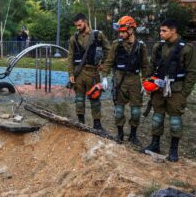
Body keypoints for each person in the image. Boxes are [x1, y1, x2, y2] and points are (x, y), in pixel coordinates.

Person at [142, 19, 196, 162]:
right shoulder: (158, 47)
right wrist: (148, 81)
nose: (161, 33)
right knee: (157, 117)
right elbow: (151, 65)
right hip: (158, 88)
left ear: (173, 31)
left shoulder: (187, 48)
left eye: (164, 31)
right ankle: (155, 144)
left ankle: (173, 150)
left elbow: (191, 72)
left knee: (175, 121)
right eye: (160, 31)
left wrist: (185, 93)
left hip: (176, 90)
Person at [100, 16, 149, 145]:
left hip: (134, 80)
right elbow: (109, 61)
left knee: (136, 111)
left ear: (131, 30)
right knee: (119, 109)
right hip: (119, 79)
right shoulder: (116, 44)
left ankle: (133, 135)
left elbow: (145, 65)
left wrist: (145, 81)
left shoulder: (140, 46)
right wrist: (104, 76)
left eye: (123, 31)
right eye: (119, 32)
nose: (121, 34)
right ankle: (120, 133)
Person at [68, 13, 110, 130]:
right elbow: (70, 57)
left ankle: (97, 124)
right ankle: (81, 123)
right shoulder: (74, 38)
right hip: (78, 73)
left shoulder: (98, 35)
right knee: (79, 100)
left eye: (79, 25)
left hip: (93, 72)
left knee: (95, 98)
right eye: (76, 25)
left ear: (85, 22)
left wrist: (103, 64)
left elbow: (108, 51)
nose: (78, 27)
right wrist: (71, 74)